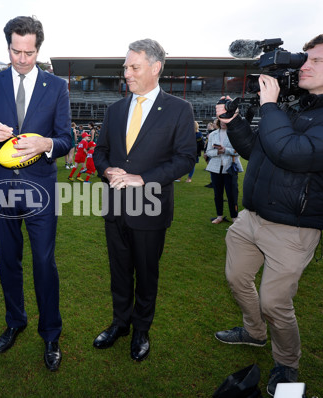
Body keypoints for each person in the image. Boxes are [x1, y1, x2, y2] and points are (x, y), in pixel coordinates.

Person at [213, 31, 323, 396]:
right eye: (305, 58)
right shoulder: (297, 104)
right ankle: (253, 333)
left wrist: (270, 106)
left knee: (274, 302)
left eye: (317, 61)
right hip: (251, 217)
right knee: (237, 280)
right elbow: (259, 150)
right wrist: (234, 122)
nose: (305, 66)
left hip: (293, 227)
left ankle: (287, 362)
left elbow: (296, 154)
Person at [0, 16, 72, 372]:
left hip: (41, 187)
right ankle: (15, 320)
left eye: (29, 52)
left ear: (38, 48)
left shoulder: (56, 86)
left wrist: (47, 144)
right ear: (7, 45)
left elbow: (66, 139)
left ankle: (51, 332)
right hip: (1, 187)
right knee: (7, 259)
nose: (22, 58)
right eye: (15, 50)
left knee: (44, 262)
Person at [92, 38, 196, 362]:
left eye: (133, 67)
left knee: (147, 274)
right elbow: (100, 151)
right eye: (125, 66)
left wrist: (143, 179)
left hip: (151, 207)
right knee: (119, 272)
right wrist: (106, 169)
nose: (126, 73)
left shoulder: (180, 110)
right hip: (115, 206)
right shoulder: (115, 109)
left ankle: (141, 330)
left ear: (155, 68)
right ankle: (120, 324)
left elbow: (185, 159)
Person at [205, 119, 243, 223]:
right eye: (221, 120)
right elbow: (208, 152)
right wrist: (218, 151)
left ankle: (234, 217)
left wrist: (225, 150)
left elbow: (238, 151)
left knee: (232, 194)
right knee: (218, 194)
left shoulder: (234, 134)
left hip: (230, 168)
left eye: (225, 121)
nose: (223, 122)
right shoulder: (213, 134)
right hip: (215, 168)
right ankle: (219, 216)